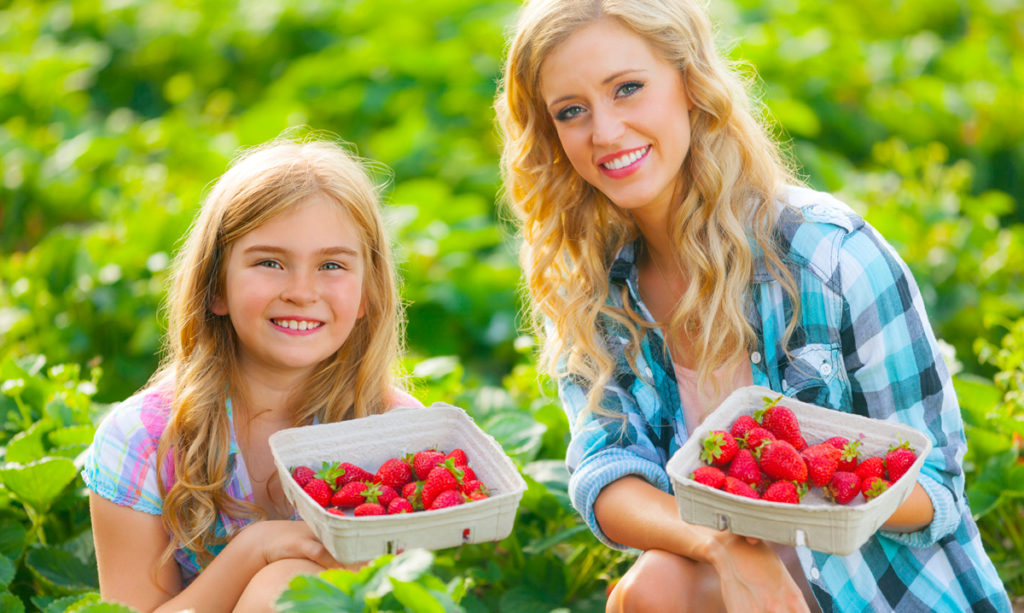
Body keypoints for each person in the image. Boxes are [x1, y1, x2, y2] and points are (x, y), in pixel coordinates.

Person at [495, 1, 1012, 611]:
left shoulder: (829, 256)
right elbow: (607, 475)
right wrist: (728, 548)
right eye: (571, 111)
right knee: (649, 592)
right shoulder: (594, 287)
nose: (605, 132)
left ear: (690, 83)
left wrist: (804, 486)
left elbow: (938, 487)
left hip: (879, 590)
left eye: (628, 89)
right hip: (730, 588)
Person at [81, 136, 422, 612]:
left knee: (289, 585)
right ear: (214, 287)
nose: (302, 291)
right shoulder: (143, 439)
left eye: (331, 264)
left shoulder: (398, 433)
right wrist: (251, 551)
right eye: (269, 262)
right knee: (280, 585)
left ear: (367, 294)